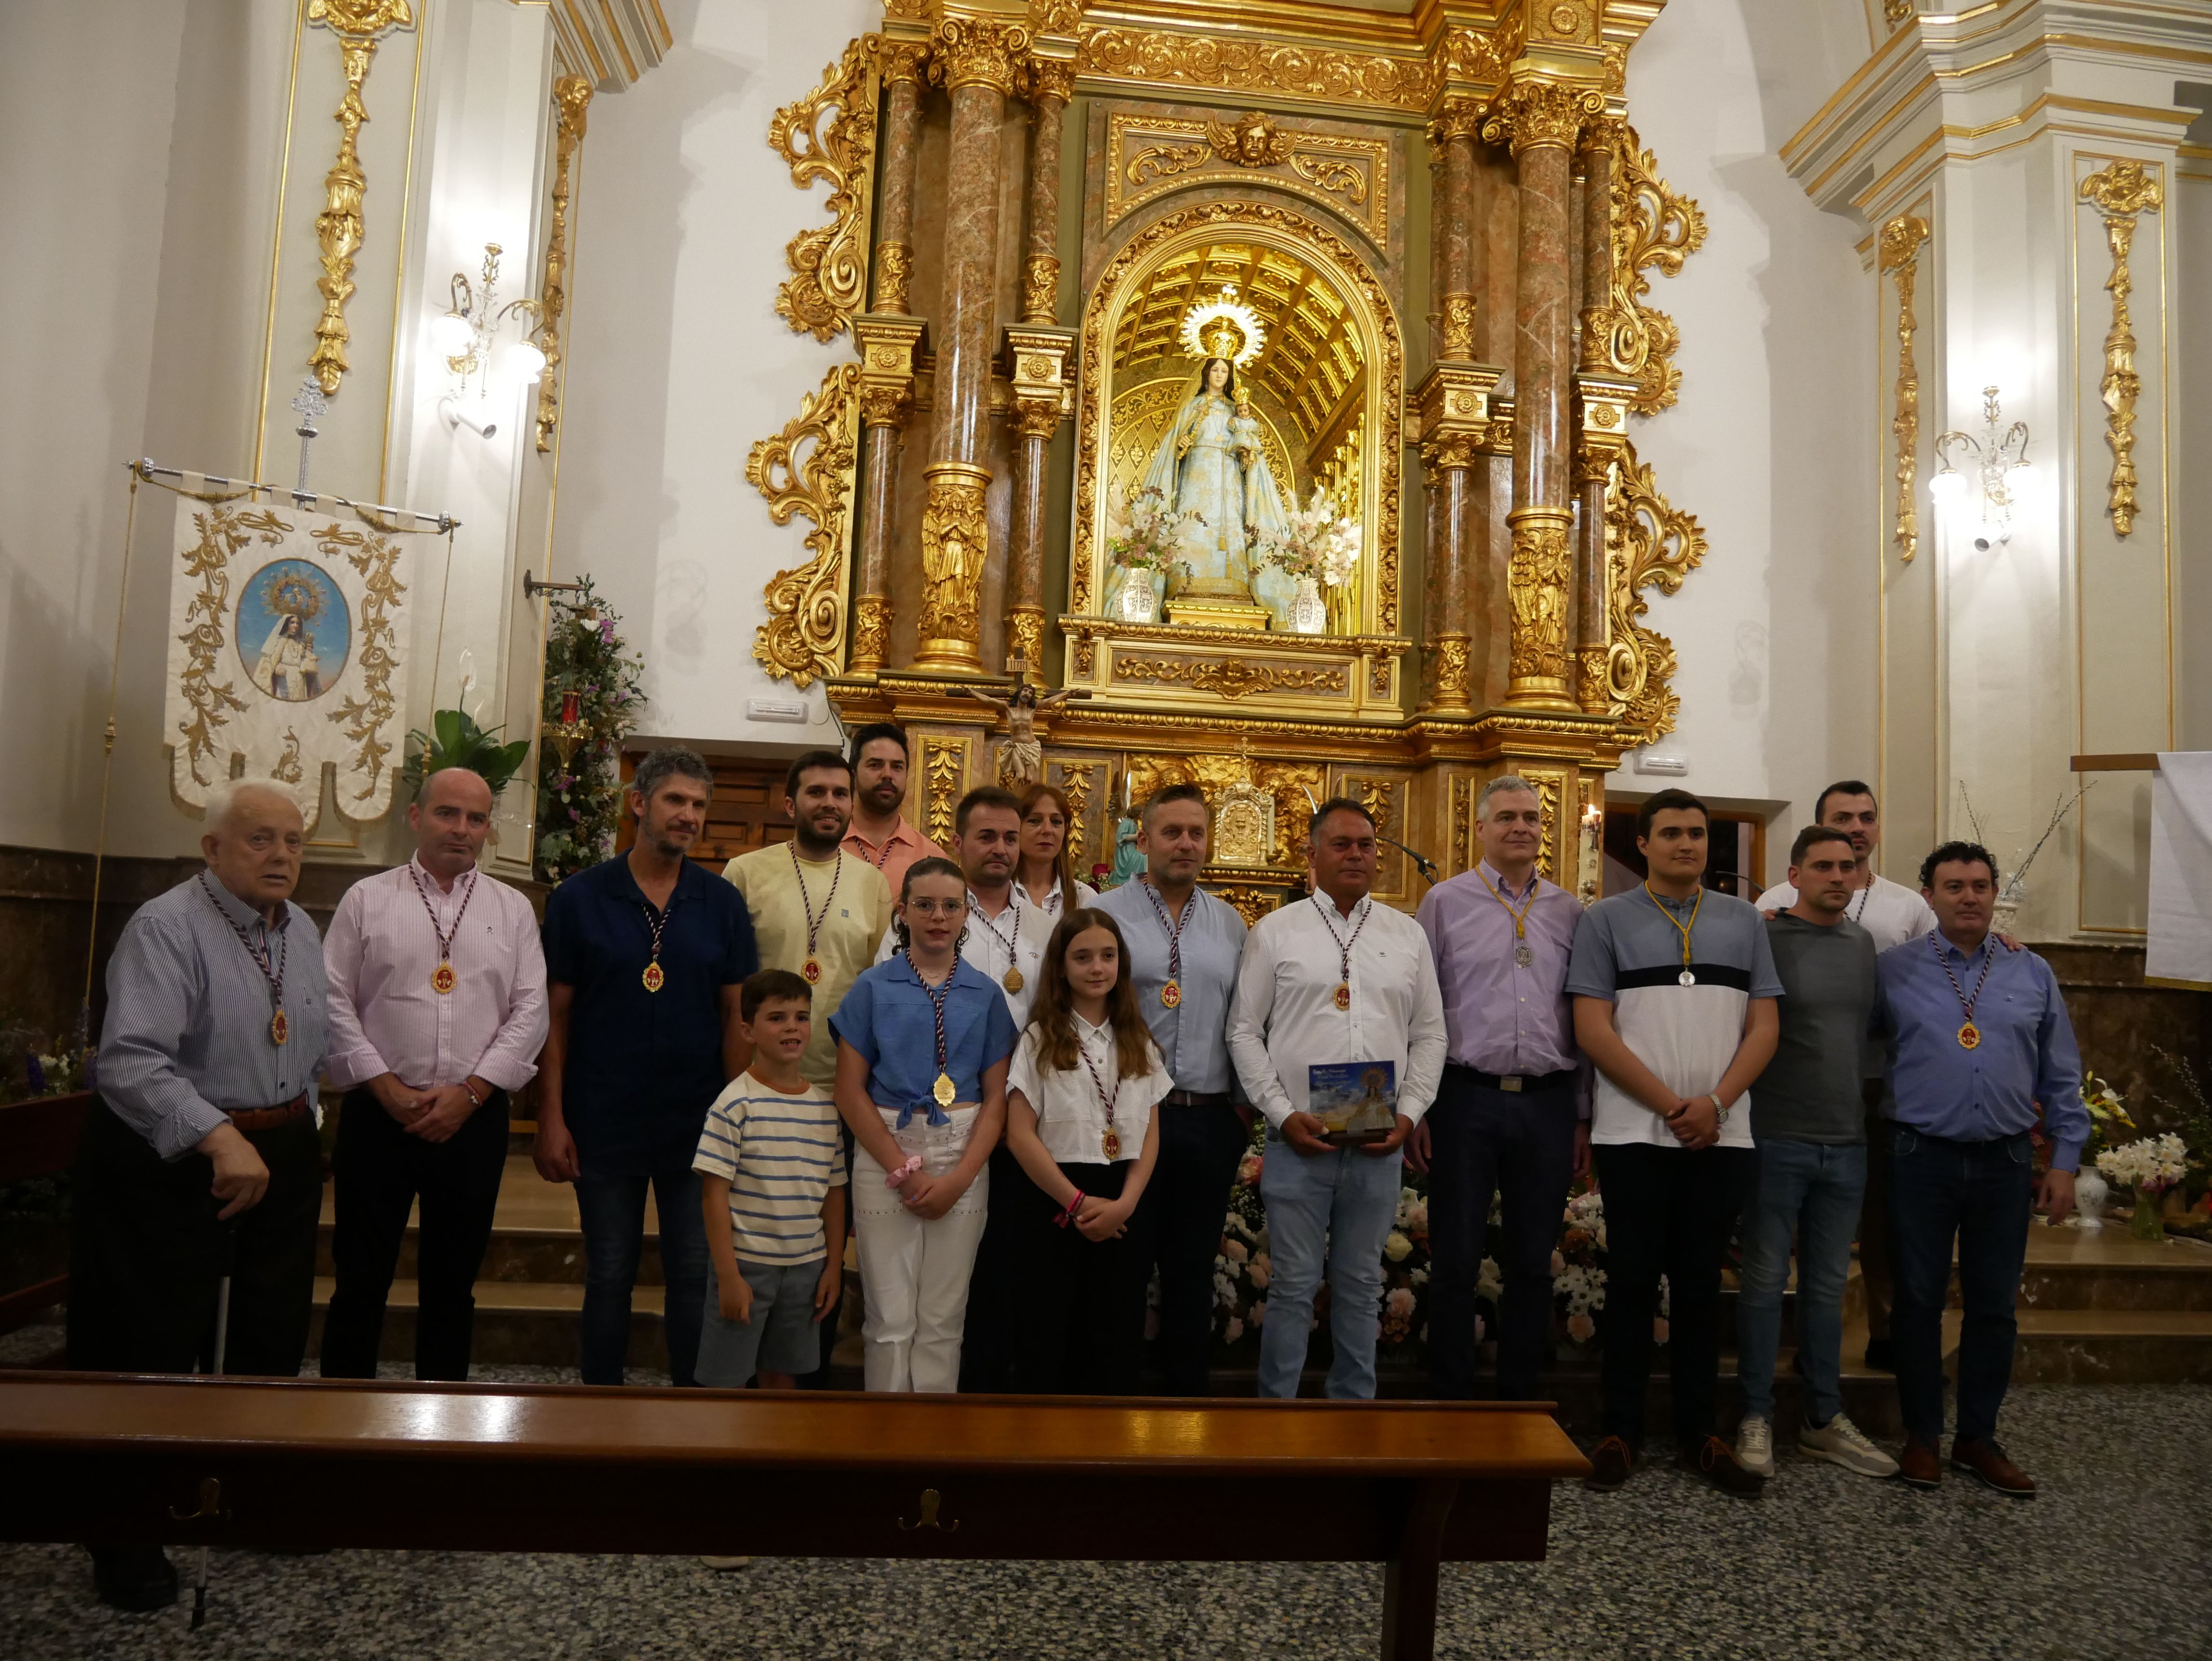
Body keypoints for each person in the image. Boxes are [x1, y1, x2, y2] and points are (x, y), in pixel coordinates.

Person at [67, 780, 329, 1610]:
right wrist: (219, 1136)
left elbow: (301, 1040)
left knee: (268, 1332)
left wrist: (298, 1124)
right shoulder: (166, 926)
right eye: (259, 838)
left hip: (280, 1148)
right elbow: (131, 1062)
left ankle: (244, 1494)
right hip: (176, 1156)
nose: (281, 854)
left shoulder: (303, 928)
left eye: (293, 840)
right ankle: (126, 1528)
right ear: (212, 847)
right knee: (146, 1342)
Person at [1567, 787, 1780, 1498]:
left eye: (1697, 833)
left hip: (1721, 1136)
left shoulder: (1745, 922)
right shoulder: (1605, 921)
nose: (1687, 844)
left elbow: (1765, 1028)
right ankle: (1620, 1429)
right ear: (1645, 844)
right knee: (1630, 1284)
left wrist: (1715, 1104)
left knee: (1698, 1287)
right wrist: (1671, 1105)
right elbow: (1594, 1030)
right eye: (1672, 833)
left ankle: (1701, 1435)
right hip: (1634, 1132)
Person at [320, 767, 548, 1383]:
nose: (463, 829)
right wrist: (382, 1083)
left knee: (453, 1283)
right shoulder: (368, 899)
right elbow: (331, 998)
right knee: (359, 1278)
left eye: (476, 818)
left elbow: (532, 1009)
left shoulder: (513, 909)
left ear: (489, 829)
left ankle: (441, 1421)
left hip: (471, 1120)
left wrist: (474, 1092)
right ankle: (337, 1417)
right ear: (416, 817)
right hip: (378, 1115)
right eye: (448, 813)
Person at [537, 748, 757, 1387]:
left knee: (694, 1271)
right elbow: (555, 1019)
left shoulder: (719, 903)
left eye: (698, 806)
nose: (688, 816)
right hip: (603, 1118)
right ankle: (600, 1408)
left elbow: (733, 1015)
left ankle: (689, 1412)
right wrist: (550, 1117)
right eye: (675, 801)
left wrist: (737, 1121)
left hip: (696, 1121)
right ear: (640, 804)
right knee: (610, 1270)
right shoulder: (580, 898)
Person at [1877, 840, 2086, 1496]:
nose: (1968, 896)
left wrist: (2065, 1160)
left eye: (1979, 886)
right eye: (1953, 886)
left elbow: (2061, 1074)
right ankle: (1922, 1437)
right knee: (1917, 1303)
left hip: (2004, 1158)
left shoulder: (2032, 972)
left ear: (1995, 894)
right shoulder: (1892, 970)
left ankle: (1977, 1438)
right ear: (1929, 896)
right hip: (1920, 1156)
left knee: (1995, 1307)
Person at [1227, 797, 1446, 1400]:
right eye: (1342, 844)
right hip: (1299, 1138)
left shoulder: (1406, 935)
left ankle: (1353, 1413)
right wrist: (1280, 1113)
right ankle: (1277, 1416)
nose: (1356, 854)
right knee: (1294, 1284)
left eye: (1366, 845)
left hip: (1378, 1139)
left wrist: (1409, 1114)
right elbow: (1244, 1031)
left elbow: (1429, 1033)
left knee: (1359, 1284)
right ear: (1312, 854)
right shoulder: (1276, 931)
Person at [1410, 775, 1589, 1406]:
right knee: (1456, 1258)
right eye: (1507, 817)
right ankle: (1452, 1396)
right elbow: (1421, 1006)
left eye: (1532, 818)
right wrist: (1421, 1106)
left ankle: (1519, 1397)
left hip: (1546, 1100)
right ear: (1481, 829)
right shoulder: (1445, 902)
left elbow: (1586, 1011)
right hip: (1465, 1096)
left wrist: (1581, 1116)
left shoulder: (1570, 910)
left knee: (1532, 1261)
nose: (1521, 827)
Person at [1732, 826, 1897, 1483]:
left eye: (1849, 865)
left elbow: (1872, 1031)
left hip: (1846, 1140)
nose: (1839, 875)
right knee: (1766, 1285)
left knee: (1828, 1291)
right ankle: (1754, 1414)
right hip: (1777, 1135)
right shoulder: (1762, 936)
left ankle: (1823, 1420)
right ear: (1793, 875)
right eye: (1824, 865)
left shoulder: (1863, 946)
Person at [1757, 778, 1936, 1371]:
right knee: (1785, 1226)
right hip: (1797, 1084)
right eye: (1843, 818)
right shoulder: (1774, 904)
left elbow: (1940, 975)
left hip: (1880, 1082)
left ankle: (1884, 1328)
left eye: (1866, 818)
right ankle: (1784, 1338)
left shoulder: (1907, 906)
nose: (1857, 828)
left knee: (1882, 1215)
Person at [831, 857, 1017, 1391]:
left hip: (963, 1149)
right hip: (887, 1146)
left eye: (950, 906)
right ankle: (886, 1446)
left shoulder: (985, 994)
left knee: (942, 1319)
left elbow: (996, 1100)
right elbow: (849, 1090)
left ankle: (933, 1444)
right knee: (889, 1319)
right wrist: (900, 1170)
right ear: (903, 911)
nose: (938, 916)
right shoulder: (871, 987)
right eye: (925, 904)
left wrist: (959, 1178)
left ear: (966, 915)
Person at [1093, 782, 1250, 1395]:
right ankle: (1110, 1404)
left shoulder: (1231, 923)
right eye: (1171, 832)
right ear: (1142, 840)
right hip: (1131, 1115)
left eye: (1196, 833)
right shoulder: (1107, 912)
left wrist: (1239, 1114)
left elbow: (1245, 1018)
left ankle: (1188, 1413)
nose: (1185, 844)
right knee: (1122, 1270)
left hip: (1208, 1118)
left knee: (1191, 1271)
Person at [1004, 909, 1170, 1393]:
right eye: (1082, 957)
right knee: (1049, 1336)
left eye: (1107, 955)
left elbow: (1150, 1133)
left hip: (1121, 1200)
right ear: (1060, 966)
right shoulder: (1039, 1038)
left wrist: (1126, 1202)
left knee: (1113, 1339)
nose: (1097, 967)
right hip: (1056, 1200)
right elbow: (1019, 1134)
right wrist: (1075, 1202)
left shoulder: (1138, 1039)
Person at [694, 970, 847, 1391]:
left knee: (784, 1376)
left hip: (805, 1268)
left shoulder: (824, 1108)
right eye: (777, 1018)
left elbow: (834, 1194)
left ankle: (775, 1458)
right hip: (747, 1265)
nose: (792, 1028)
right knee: (726, 1381)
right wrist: (728, 1276)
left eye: (801, 1017)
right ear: (748, 1030)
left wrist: (833, 1266)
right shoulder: (734, 1104)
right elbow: (713, 1196)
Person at [843, 722, 943, 896]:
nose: (888, 774)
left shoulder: (932, 859)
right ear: (853, 775)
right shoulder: (828, 846)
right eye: (875, 765)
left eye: (897, 767)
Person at [1015, 781, 1099, 919]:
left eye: (1056, 822)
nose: (1047, 830)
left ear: (1066, 831)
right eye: (1035, 821)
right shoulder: (999, 895)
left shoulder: (1085, 898)